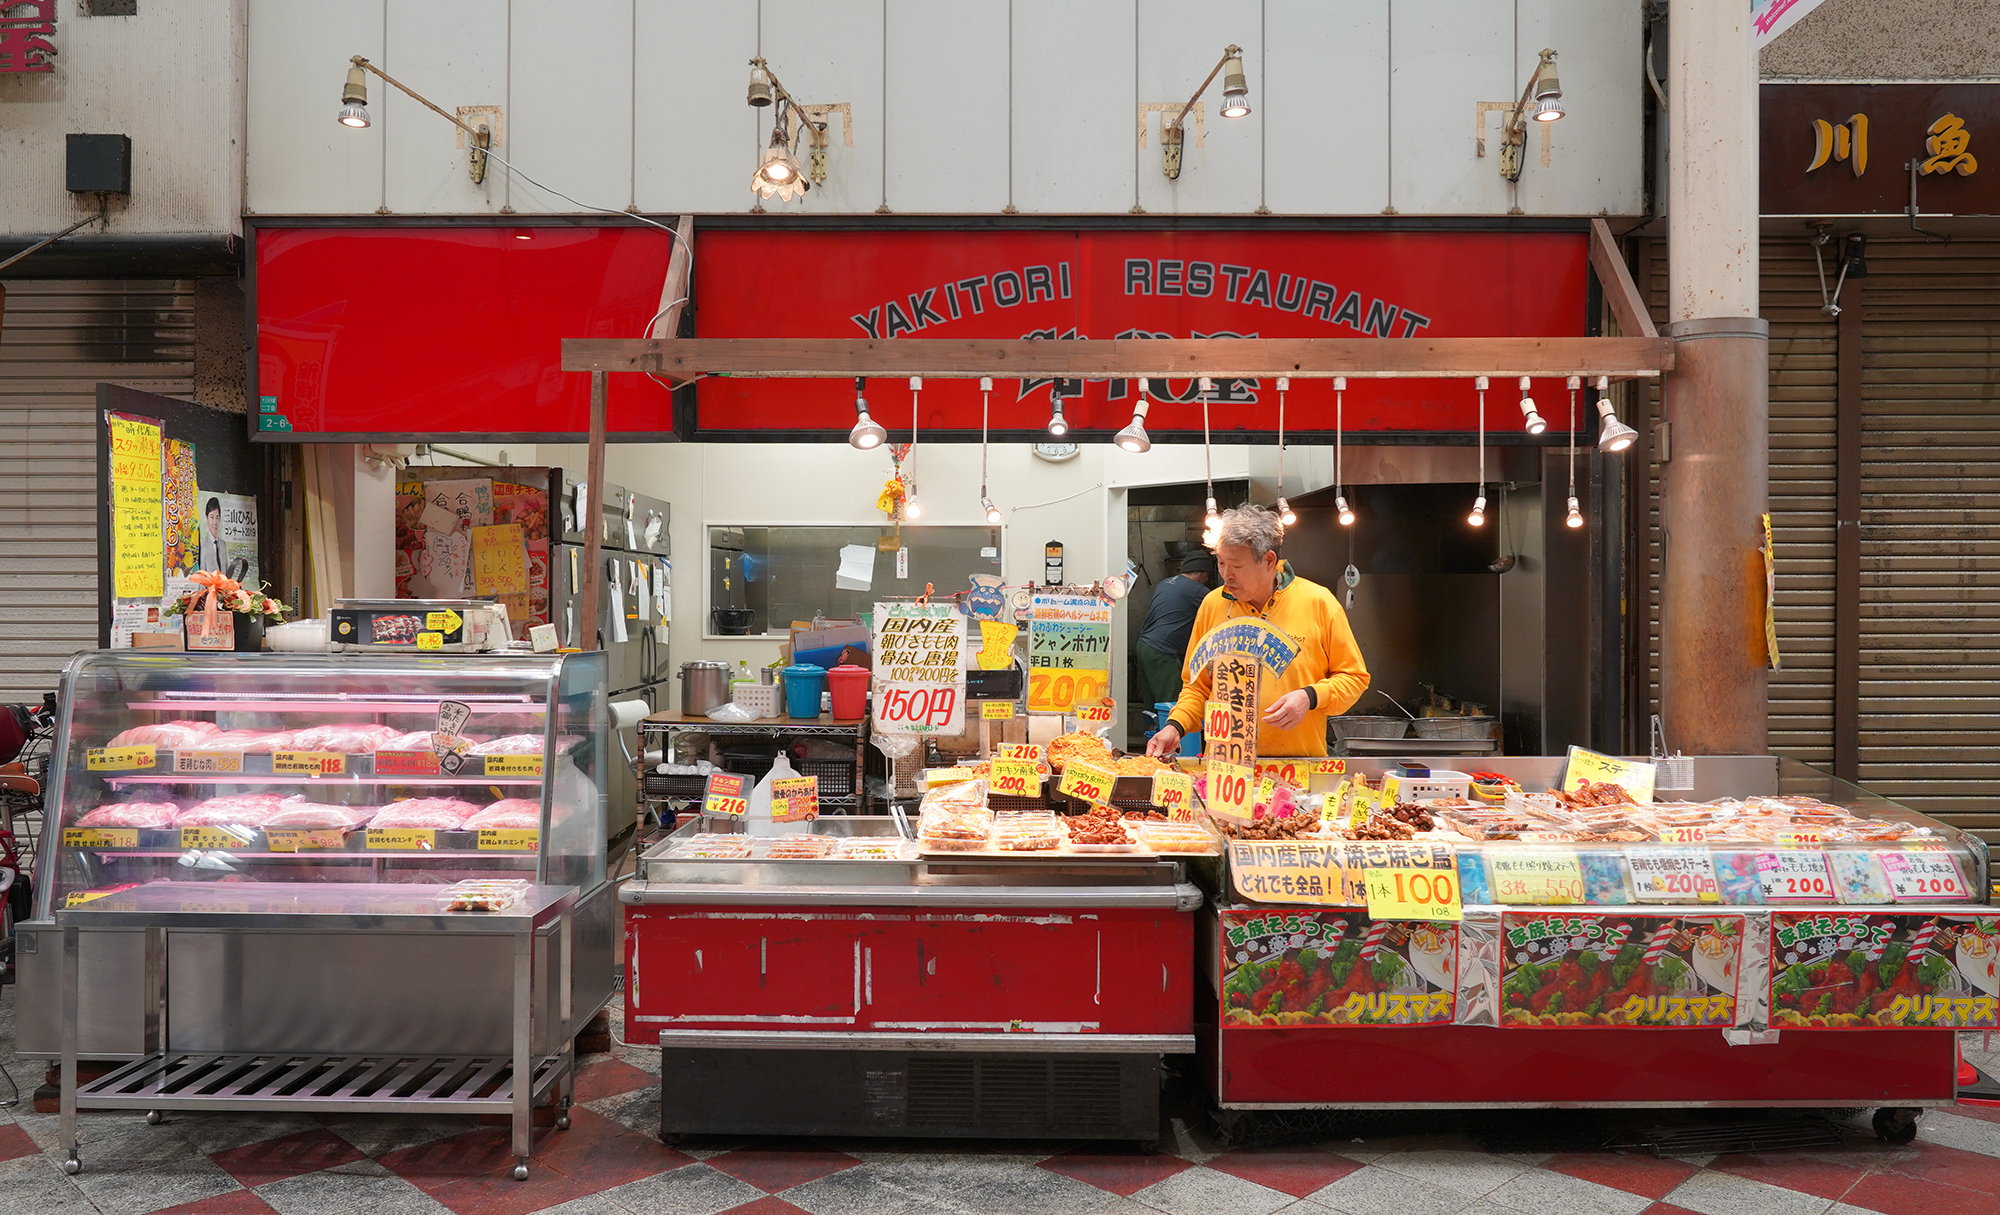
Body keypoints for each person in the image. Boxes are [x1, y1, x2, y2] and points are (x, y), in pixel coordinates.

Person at [1147, 504, 1369, 758]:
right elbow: (1197, 687)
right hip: (1226, 772)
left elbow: (1354, 678)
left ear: (1269, 560)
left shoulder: (1319, 602)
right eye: (1220, 563)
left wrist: (1310, 696)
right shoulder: (1212, 605)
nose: (1225, 575)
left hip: (1299, 767)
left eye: (1236, 566)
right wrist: (1175, 726)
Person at [1135, 551, 1215, 710]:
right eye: (1206, 574)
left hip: (1144, 647)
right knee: (1170, 706)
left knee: (1151, 706)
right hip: (1162, 652)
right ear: (1197, 571)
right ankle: (1167, 735)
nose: (1206, 579)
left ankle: (1150, 734)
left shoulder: (1164, 583)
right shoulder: (1197, 590)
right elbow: (1219, 610)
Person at [198, 497, 224, 573]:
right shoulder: (203, 546)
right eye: (212, 517)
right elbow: (202, 577)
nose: (215, 522)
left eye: (217, 518)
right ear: (207, 518)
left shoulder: (223, 544)